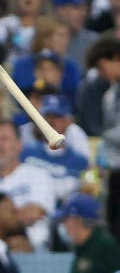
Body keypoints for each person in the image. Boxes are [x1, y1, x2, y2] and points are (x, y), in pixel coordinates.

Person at [0, 120, 56, 251]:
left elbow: (35, 212)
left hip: (33, 248)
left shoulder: (38, 175)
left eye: (5, 139)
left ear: (19, 145)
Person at [85, 37, 120, 241]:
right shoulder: (109, 95)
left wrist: (103, 140)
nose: (100, 73)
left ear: (115, 58)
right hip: (115, 173)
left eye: (101, 66)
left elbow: (108, 133)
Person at [53, 193, 120, 273]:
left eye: (65, 220)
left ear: (77, 220)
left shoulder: (106, 246)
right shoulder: (82, 247)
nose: (64, 225)